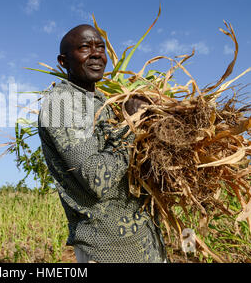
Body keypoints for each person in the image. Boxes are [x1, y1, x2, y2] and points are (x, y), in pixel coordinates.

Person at [37, 24, 168, 263]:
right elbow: (97, 178)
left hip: (145, 244)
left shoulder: (103, 103)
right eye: (85, 47)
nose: (96, 53)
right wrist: (130, 124)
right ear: (63, 61)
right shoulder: (61, 103)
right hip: (108, 250)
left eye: (100, 47)